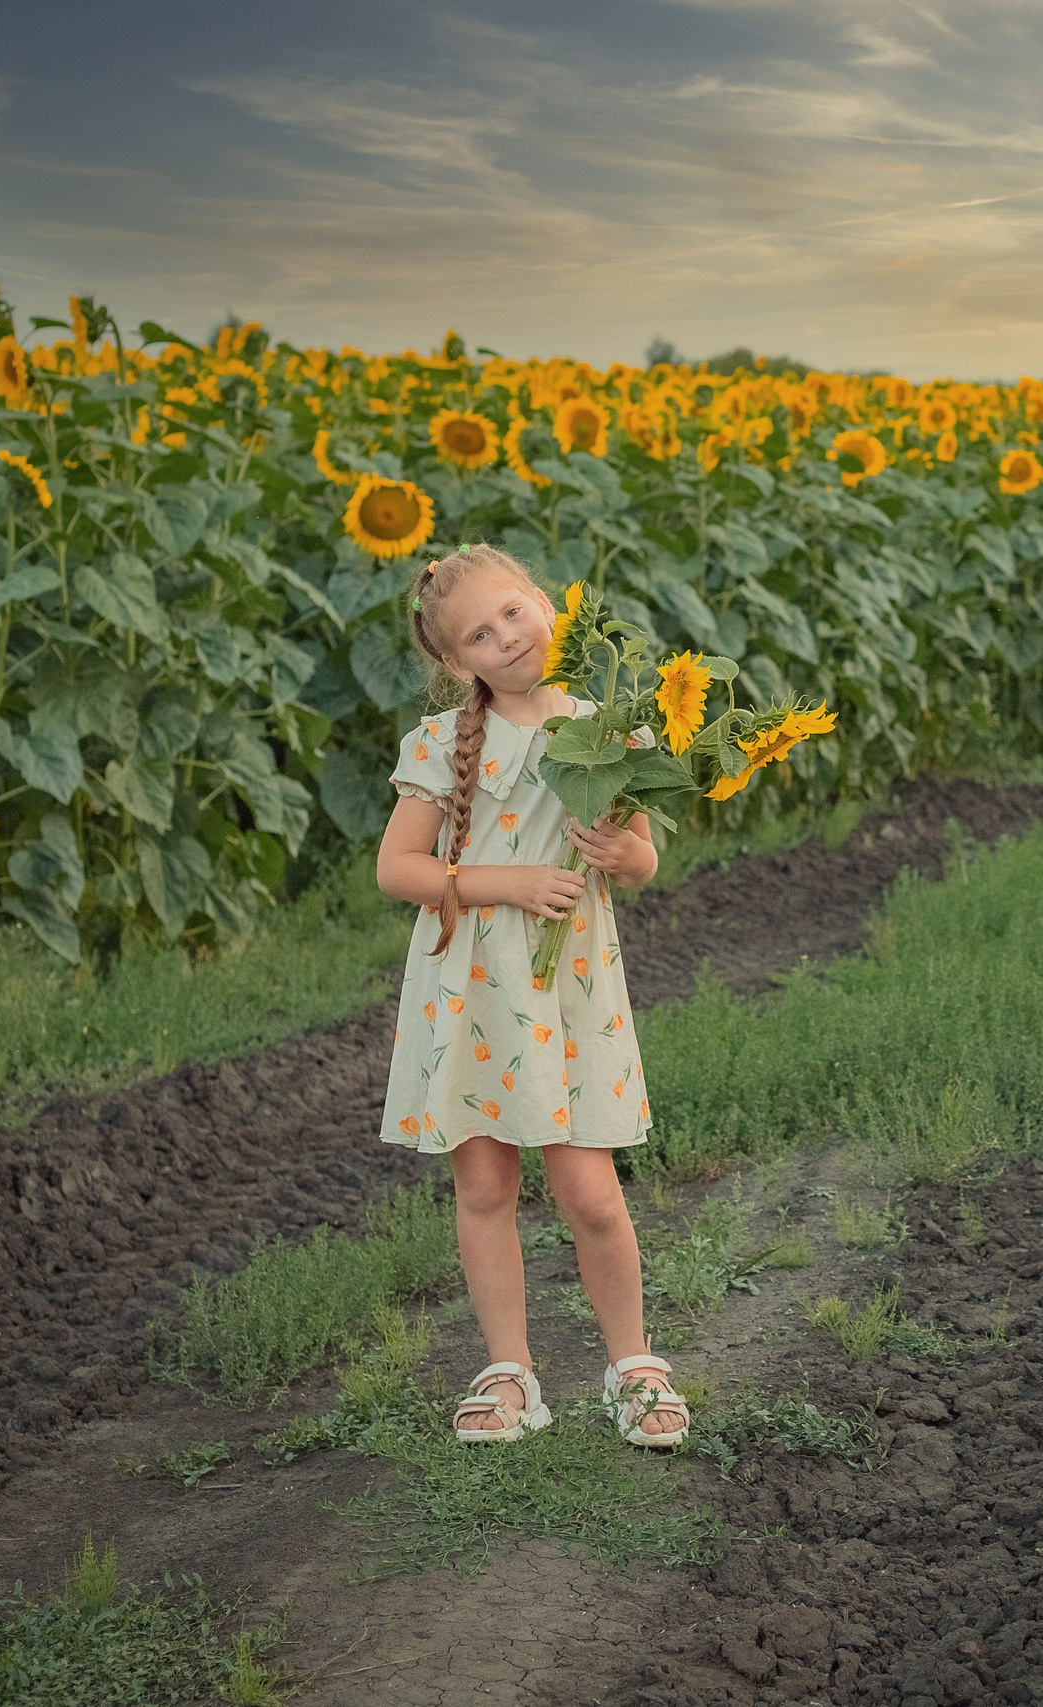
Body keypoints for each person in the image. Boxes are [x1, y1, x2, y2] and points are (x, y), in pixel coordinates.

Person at [373, 542, 687, 1448]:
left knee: (591, 1192)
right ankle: (510, 1371)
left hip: (569, 991)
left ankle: (633, 1364)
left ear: (546, 606)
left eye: (513, 612)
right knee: (484, 1184)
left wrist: (625, 854)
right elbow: (397, 868)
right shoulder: (442, 744)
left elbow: (642, 856)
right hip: (474, 986)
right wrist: (504, 883)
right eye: (478, 634)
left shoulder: (608, 726)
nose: (505, 637)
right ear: (455, 660)